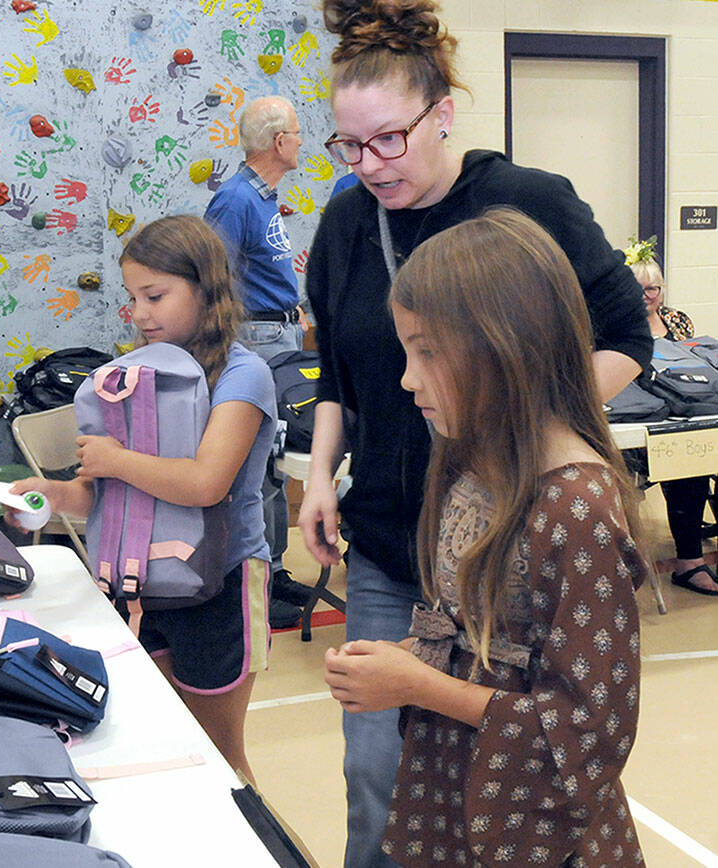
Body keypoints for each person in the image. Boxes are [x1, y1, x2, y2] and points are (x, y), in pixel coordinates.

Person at [299, 2, 652, 864]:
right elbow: (342, 379)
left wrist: (518, 434)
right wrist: (318, 479)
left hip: (508, 544)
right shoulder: (347, 223)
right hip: (396, 536)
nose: (370, 164)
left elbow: (625, 340)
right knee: (382, 769)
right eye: (349, 146)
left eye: (389, 140)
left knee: (500, 769)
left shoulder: (527, 204)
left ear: (442, 113)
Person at [325, 208, 648, 866]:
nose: (407, 379)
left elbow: (588, 733)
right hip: (460, 795)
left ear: (507, 348)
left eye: (427, 353)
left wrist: (419, 685)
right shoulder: (470, 461)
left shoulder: (576, 506)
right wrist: (412, 654)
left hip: (539, 829)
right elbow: (485, 635)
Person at [10, 215, 277, 783]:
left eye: (155, 296)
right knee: (159, 743)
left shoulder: (243, 375)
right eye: (133, 298)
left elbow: (207, 483)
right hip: (142, 587)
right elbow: (111, 498)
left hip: (220, 586)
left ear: (207, 289)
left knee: (219, 758)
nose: (140, 314)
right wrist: (56, 495)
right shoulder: (137, 376)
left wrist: (115, 459)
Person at [203, 95, 304, 607]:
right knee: (257, 464)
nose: (302, 142)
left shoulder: (263, 198)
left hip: (280, 335)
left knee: (275, 462)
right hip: (257, 339)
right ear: (279, 142)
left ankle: (277, 569)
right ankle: (257, 579)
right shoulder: (236, 199)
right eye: (297, 133)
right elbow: (211, 278)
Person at [626, 237, 718, 595]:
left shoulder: (677, 321)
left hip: (686, 418)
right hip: (644, 430)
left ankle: (692, 560)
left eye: (653, 289)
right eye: (639, 289)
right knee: (687, 467)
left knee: (698, 455)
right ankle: (689, 564)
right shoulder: (616, 328)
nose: (647, 296)